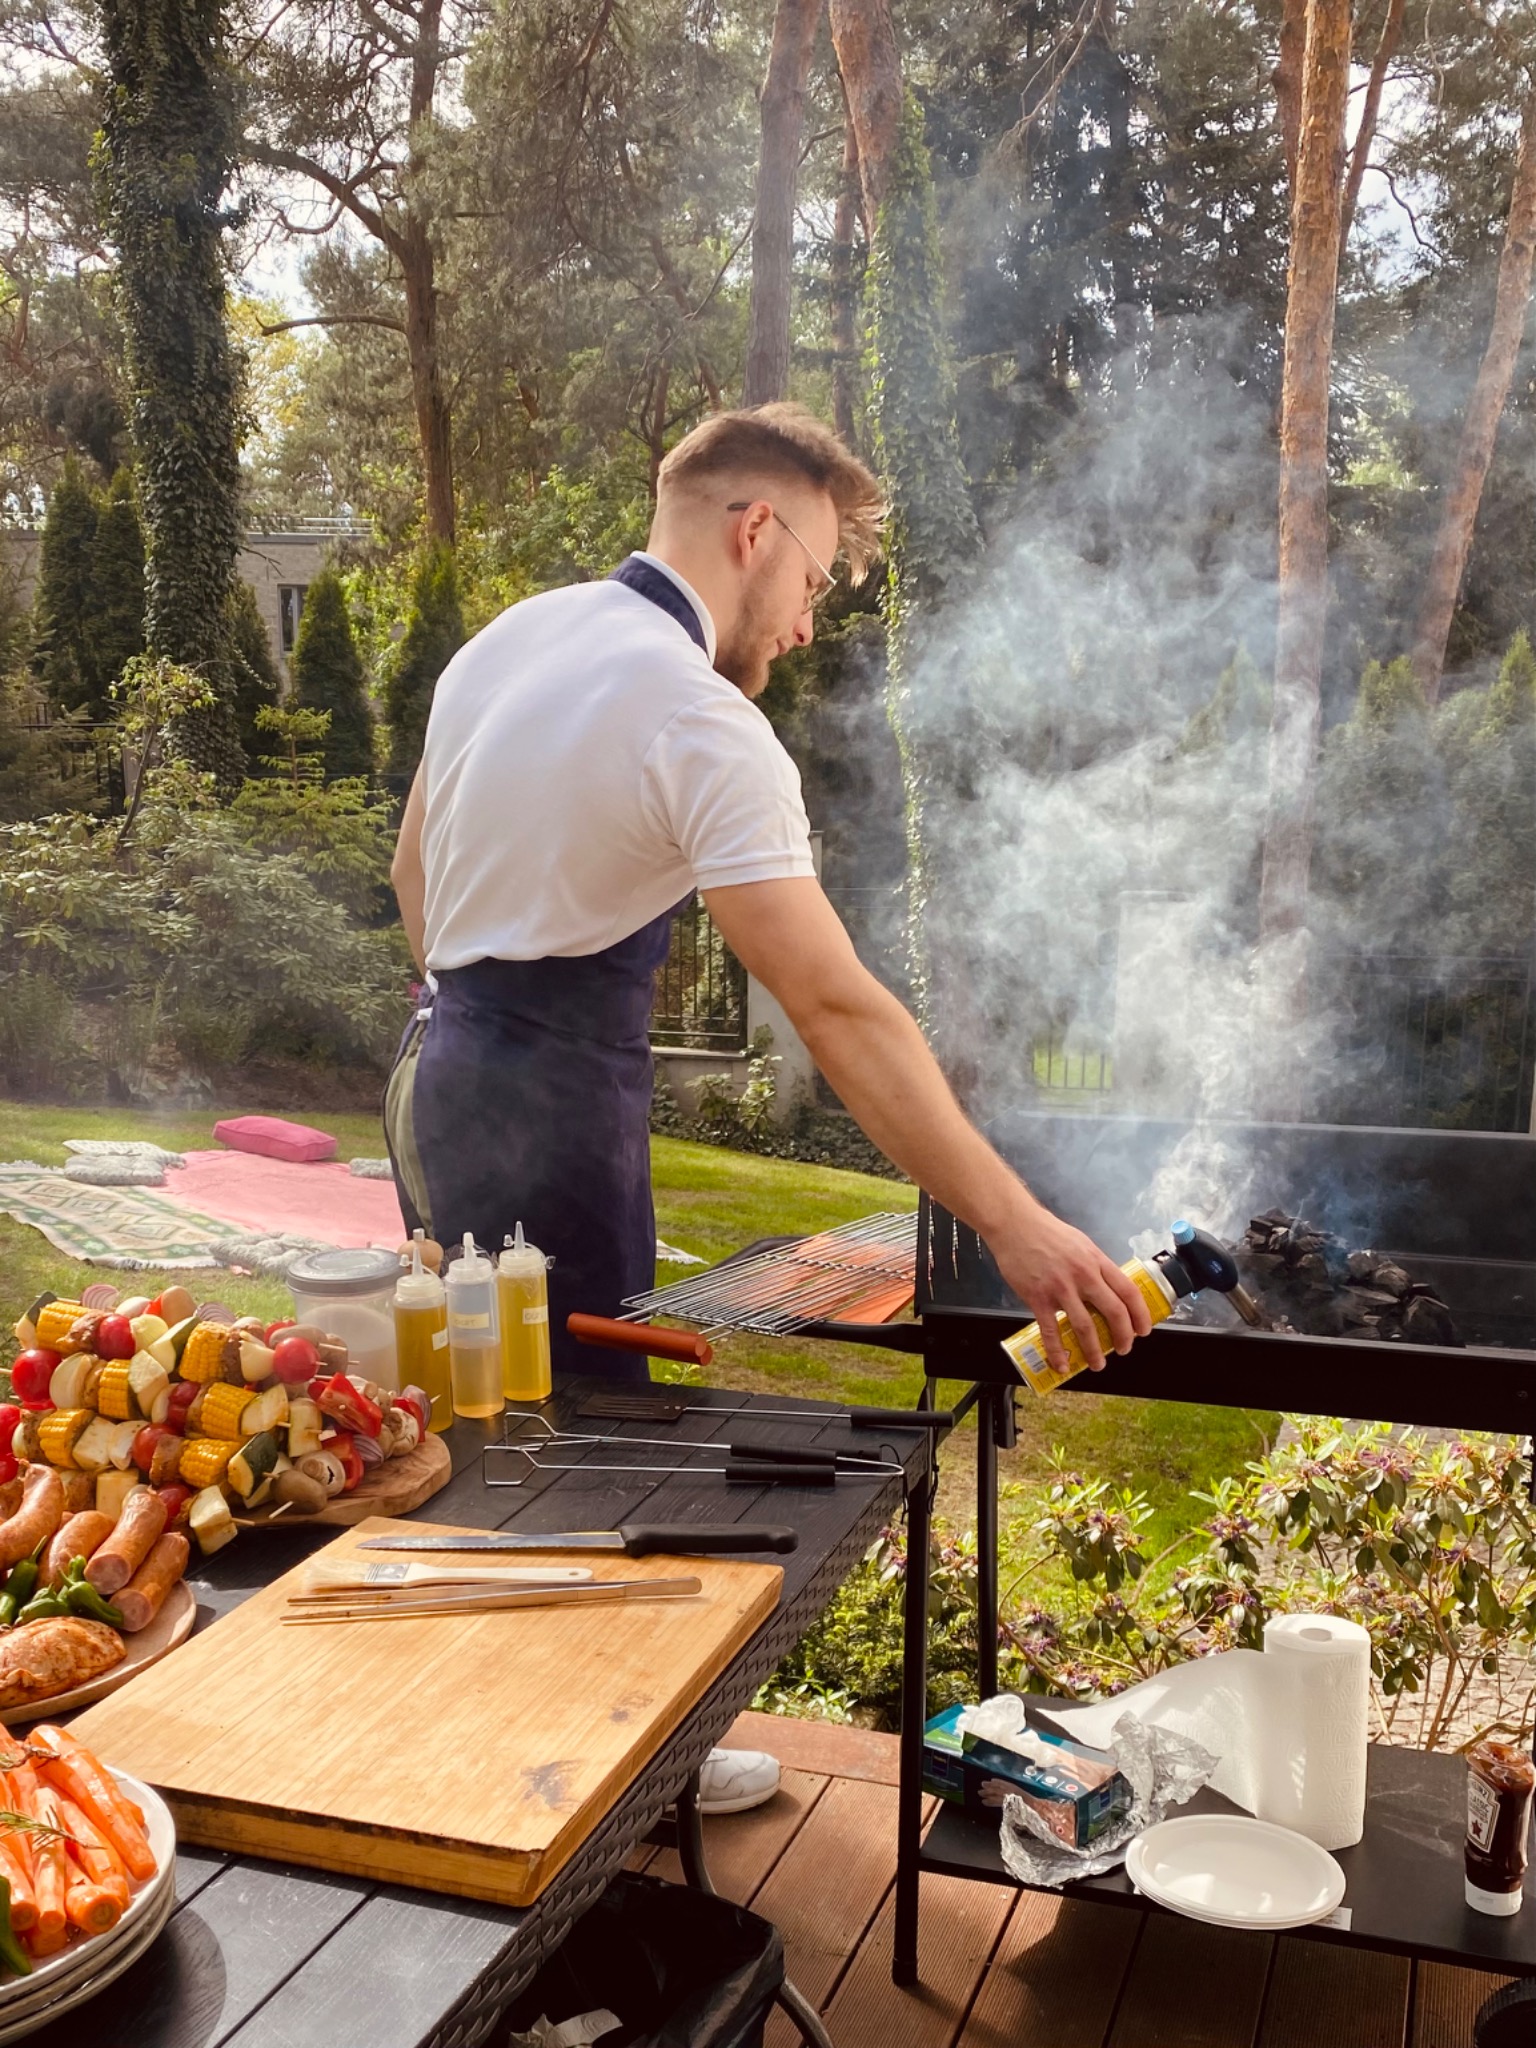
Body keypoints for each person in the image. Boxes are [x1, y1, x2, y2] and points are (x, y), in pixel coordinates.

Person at [386, 405, 1151, 1811]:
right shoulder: (697, 717)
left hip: (446, 1078)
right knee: (593, 1444)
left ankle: (513, 1758)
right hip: (560, 1114)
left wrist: (471, 1014)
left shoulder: (512, 639)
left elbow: (411, 870)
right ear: (755, 531)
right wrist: (1017, 1224)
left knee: (486, 1430)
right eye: (816, 581)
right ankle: (601, 1797)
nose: (807, 624)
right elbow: (837, 1009)